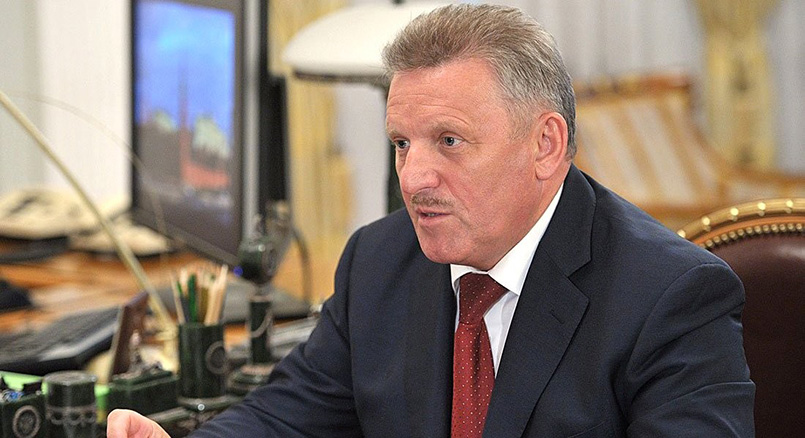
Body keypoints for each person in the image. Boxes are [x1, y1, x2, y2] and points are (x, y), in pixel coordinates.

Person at [107, 4, 755, 437]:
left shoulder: (669, 297)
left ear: (545, 144)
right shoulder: (378, 261)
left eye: (448, 141)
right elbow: (284, 418)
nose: (413, 177)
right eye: (401, 143)